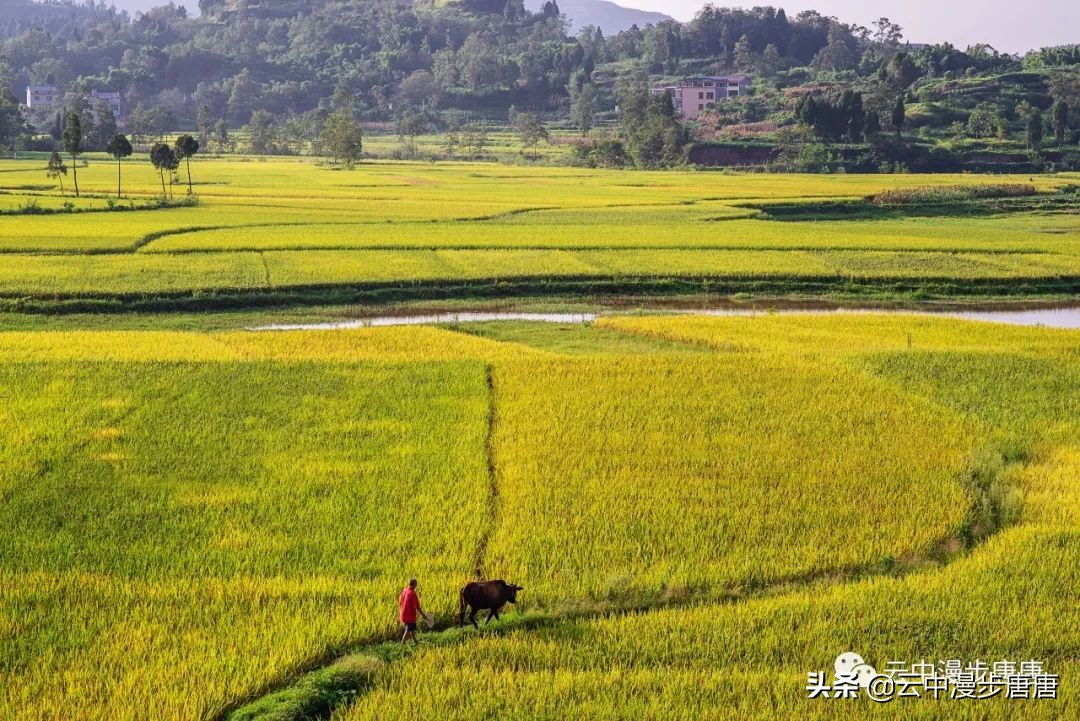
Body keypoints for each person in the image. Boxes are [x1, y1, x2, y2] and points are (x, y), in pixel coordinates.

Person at [399, 577, 424, 645]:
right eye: (416, 584)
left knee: (411, 628)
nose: (416, 585)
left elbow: (400, 602)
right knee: (408, 630)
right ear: (414, 585)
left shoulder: (404, 591)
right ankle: (402, 644)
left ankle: (415, 641)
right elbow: (417, 607)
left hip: (403, 614)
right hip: (409, 615)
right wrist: (423, 615)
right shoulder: (412, 594)